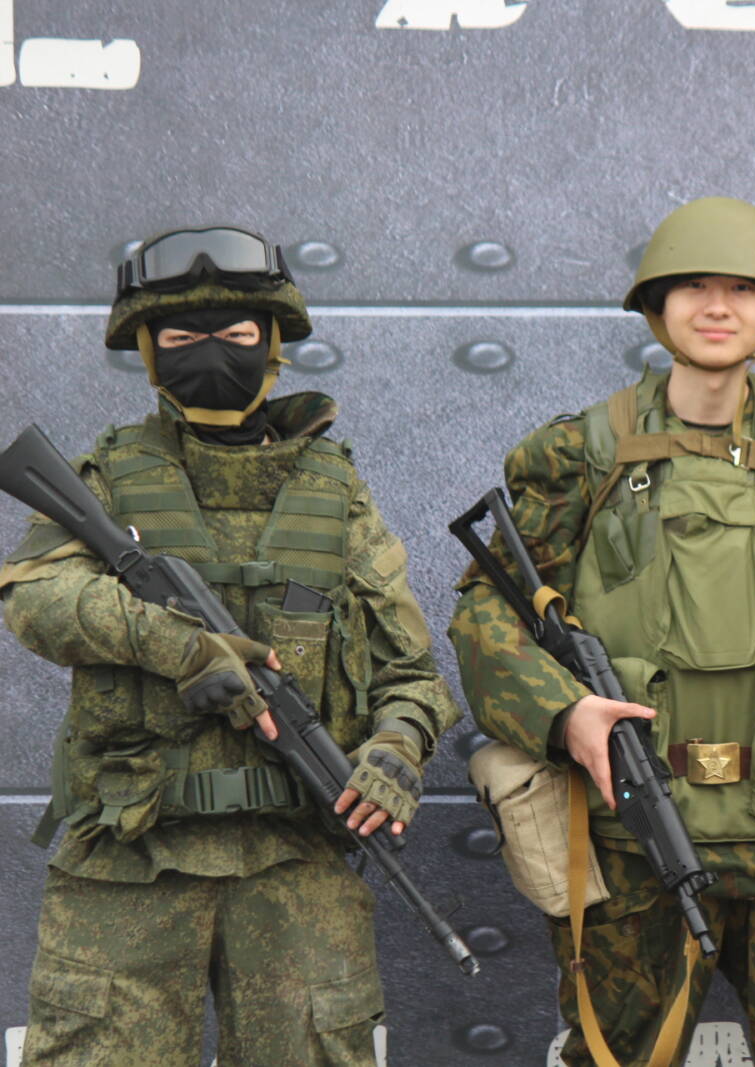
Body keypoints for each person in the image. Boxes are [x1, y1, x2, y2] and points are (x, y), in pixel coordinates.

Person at [449, 196, 755, 1065]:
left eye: (743, 290)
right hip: (633, 838)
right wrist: (565, 713)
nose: (718, 307)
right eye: (694, 288)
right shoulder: (578, 453)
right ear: (657, 306)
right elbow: (487, 614)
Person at [0, 225, 461, 1065]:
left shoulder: (336, 492)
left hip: (296, 862)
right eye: (182, 335)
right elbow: (36, 599)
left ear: (273, 342)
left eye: (237, 332)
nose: (211, 351)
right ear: (148, 351)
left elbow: (414, 674)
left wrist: (396, 748)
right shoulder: (110, 475)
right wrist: (180, 646)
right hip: (132, 856)